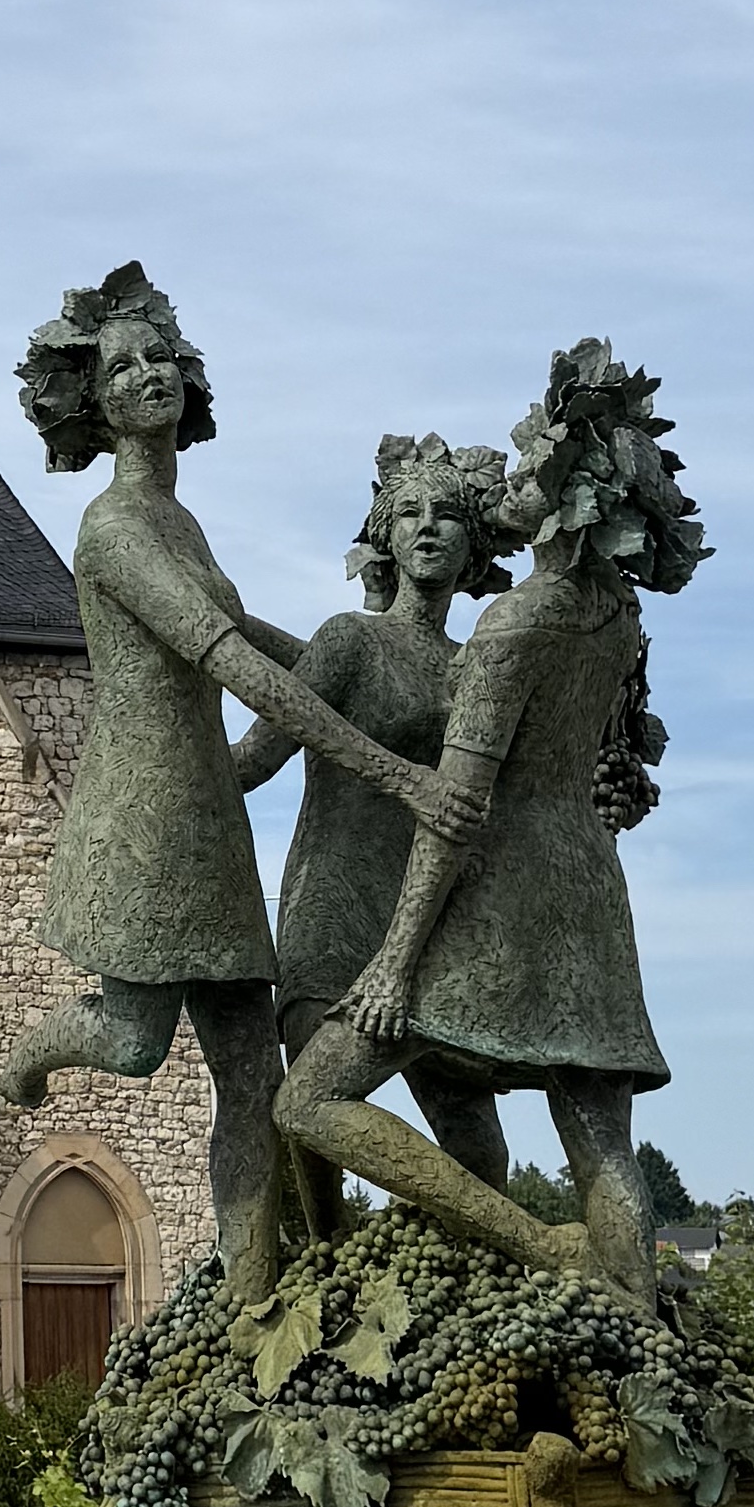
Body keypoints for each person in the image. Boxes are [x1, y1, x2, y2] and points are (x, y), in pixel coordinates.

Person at [1, 265, 450, 1284]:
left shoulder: (181, 524)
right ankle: (34, 1050)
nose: (151, 375)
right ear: (96, 402)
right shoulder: (113, 528)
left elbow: (264, 637)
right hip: (141, 821)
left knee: (253, 1081)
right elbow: (232, 663)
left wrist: (372, 666)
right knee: (132, 1041)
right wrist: (390, 768)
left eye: (162, 359)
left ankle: (251, 1298)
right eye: (126, 368)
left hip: (207, 818)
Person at [292, 335, 702, 1306]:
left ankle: (537, 1248)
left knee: (307, 1096)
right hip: (592, 904)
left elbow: (458, 804)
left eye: (528, 470)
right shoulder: (617, 618)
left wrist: (394, 961)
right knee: (602, 1142)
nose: (510, 484)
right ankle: (638, 1338)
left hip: (499, 905)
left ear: (570, 496)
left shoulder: (511, 626)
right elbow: (617, 766)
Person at [239, 432, 518, 1188]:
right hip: (332, 910)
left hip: (430, 925)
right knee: (315, 1130)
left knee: (481, 1151)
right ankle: (324, 1284)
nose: (427, 527)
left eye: (447, 516)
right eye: (409, 515)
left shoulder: (480, 667)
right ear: (386, 540)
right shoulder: (347, 642)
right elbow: (252, 762)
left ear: (473, 548)